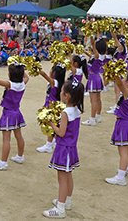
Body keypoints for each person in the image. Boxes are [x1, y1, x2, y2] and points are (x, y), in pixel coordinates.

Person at [42, 79, 85, 218]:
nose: (60, 93)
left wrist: (51, 123)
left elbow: (61, 132)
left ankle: (60, 209)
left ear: (67, 96)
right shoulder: (76, 109)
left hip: (64, 148)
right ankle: (67, 201)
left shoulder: (66, 112)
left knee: (62, 179)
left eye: (62, 91)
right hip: (71, 148)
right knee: (68, 175)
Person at [0, 63, 29, 171]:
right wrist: (20, 69)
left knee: (6, 139)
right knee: (19, 136)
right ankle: (20, 156)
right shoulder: (23, 83)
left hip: (8, 114)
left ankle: (3, 163)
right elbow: (26, 76)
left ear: (11, 75)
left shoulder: (9, 84)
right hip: (17, 112)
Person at [37, 64, 66, 153]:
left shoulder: (54, 82)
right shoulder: (60, 82)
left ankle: (48, 146)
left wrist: (36, 67)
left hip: (51, 107)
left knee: (51, 126)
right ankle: (53, 142)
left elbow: (45, 75)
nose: (49, 71)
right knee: (55, 125)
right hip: (53, 105)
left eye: (51, 70)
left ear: (54, 73)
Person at [82, 38, 106, 126]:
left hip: (93, 78)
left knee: (93, 100)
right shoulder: (100, 55)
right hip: (97, 77)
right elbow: (92, 57)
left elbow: (92, 43)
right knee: (98, 99)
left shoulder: (97, 55)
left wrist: (91, 34)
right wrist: (84, 52)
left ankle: (92, 119)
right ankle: (97, 116)